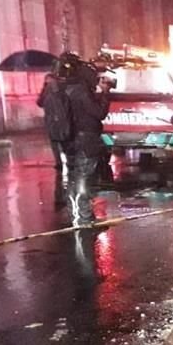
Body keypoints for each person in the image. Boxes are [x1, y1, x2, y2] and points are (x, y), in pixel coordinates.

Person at [43, 53, 110, 226]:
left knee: (73, 176)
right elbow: (99, 113)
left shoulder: (57, 87)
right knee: (84, 179)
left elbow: (43, 103)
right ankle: (84, 216)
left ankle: (75, 215)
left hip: (67, 139)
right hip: (85, 140)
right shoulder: (80, 89)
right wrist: (104, 94)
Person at [37, 73, 66, 169]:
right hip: (57, 119)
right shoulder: (58, 89)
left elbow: (39, 103)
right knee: (60, 140)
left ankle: (60, 162)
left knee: (56, 141)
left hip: (53, 119)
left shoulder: (51, 90)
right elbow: (40, 103)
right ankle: (64, 161)